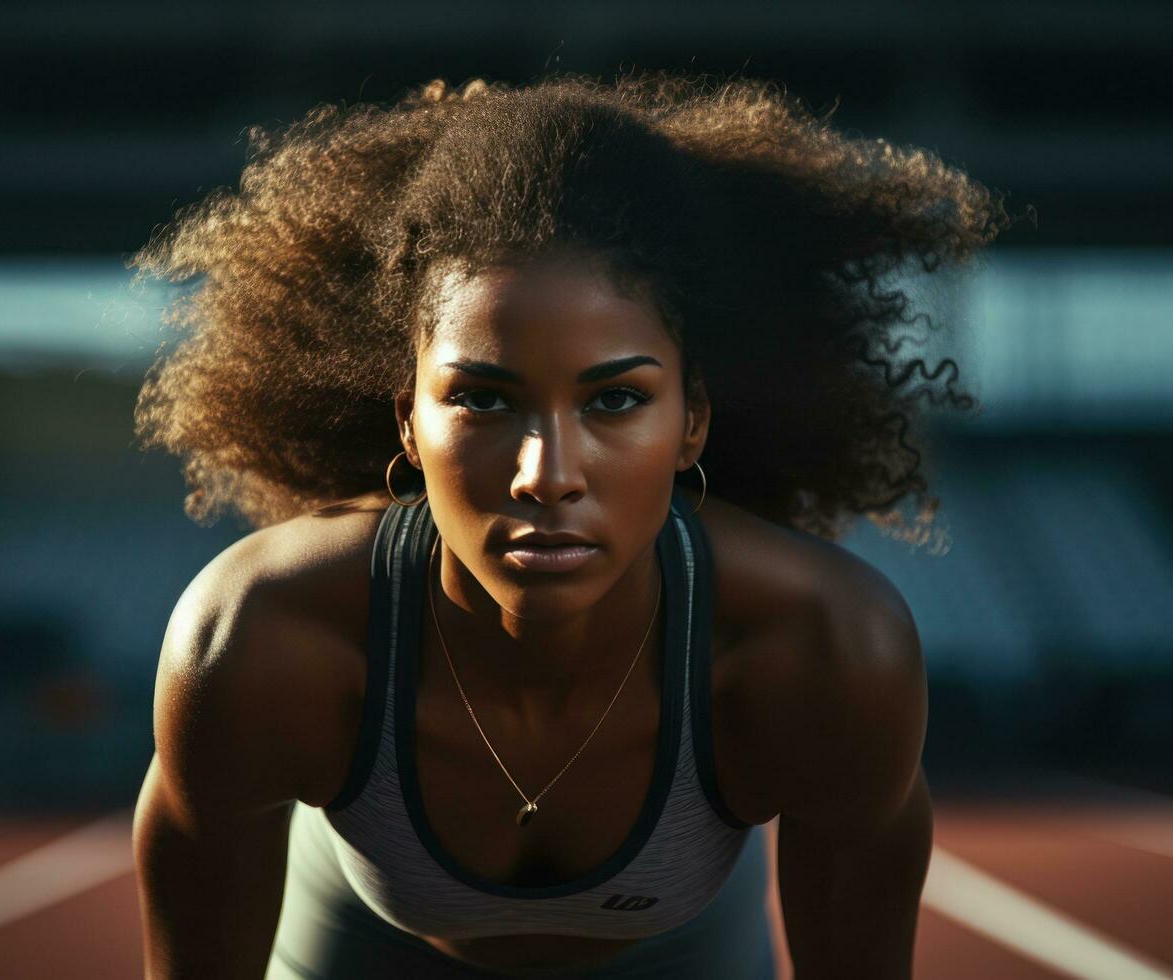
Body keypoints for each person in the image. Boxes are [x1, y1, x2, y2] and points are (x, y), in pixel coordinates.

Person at [130, 71, 1009, 979]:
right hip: (358, 948)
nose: (546, 475)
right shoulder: (259, 640)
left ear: (692, 420)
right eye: (480, 399)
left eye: (616, 398)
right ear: (407, 421)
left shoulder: (825, 651)